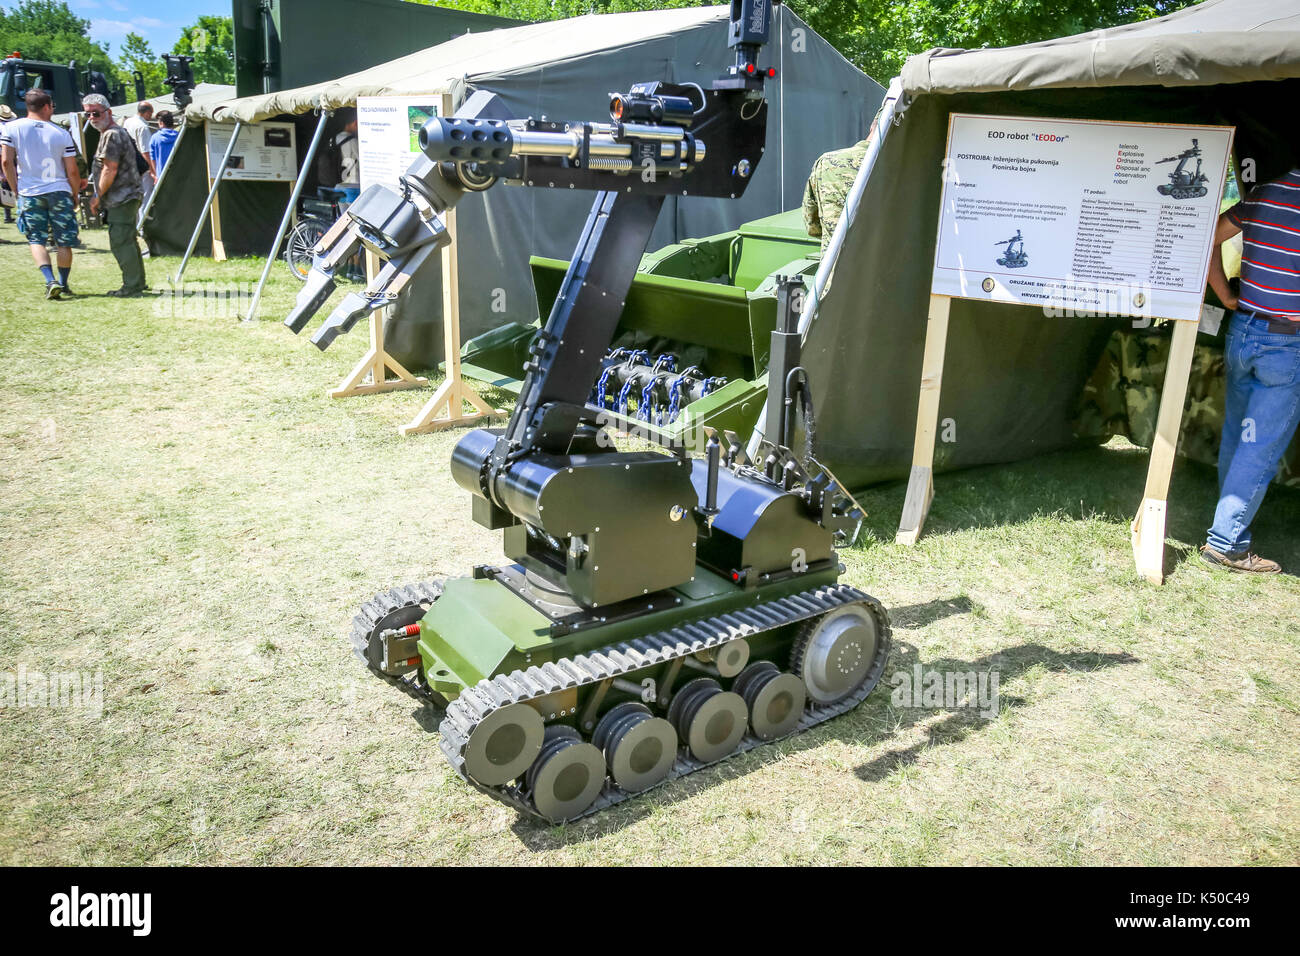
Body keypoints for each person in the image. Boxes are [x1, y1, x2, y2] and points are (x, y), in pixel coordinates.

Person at [1201, 162, 1300, 573]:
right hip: (1286, 344)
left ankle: (1226, 524)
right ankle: (1225, 542)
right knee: (1258, 444)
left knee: (1241, 433)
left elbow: (1204, 238)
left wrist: (1226, 296)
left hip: (1243, 330)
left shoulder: (1264, 191)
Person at [0, 90, 81, 299]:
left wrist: (15, 188)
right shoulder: (61, 133)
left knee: (36, 239)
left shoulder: (11, 128)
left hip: (30, 191)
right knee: (64, 241)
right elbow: (72, 170)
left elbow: (6, 161)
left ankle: (49, 279)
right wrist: (74, 193)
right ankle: (63, 283)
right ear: (47, 106)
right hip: (59, 190)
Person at [84, 93, 148, 297]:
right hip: (128, 195)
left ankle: (132, 286)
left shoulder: (112, 134)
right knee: (127, 239)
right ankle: (137, 283)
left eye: (96, 113)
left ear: (108, 112)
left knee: (120, 240)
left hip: (123, 197)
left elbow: (109, 169)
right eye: (88, 114)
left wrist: (97, 196)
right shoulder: (114, 132)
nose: (92, 118)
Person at [123, 101, 157, 203]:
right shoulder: (143, 127)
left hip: (129, 164)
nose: (151, 117)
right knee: (146, 197)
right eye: (151, 114)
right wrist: (152, 171)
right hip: (143, 167)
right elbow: (145, 151)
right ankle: (144, 218)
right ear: (146, 112)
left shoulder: (128, 121)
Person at [149, 110, 179, 174]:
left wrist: (157, 175)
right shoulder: (179, 136)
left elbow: (153, 159)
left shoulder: (154, 138)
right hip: (179, 174)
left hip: (162, 176)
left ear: (161, 123)